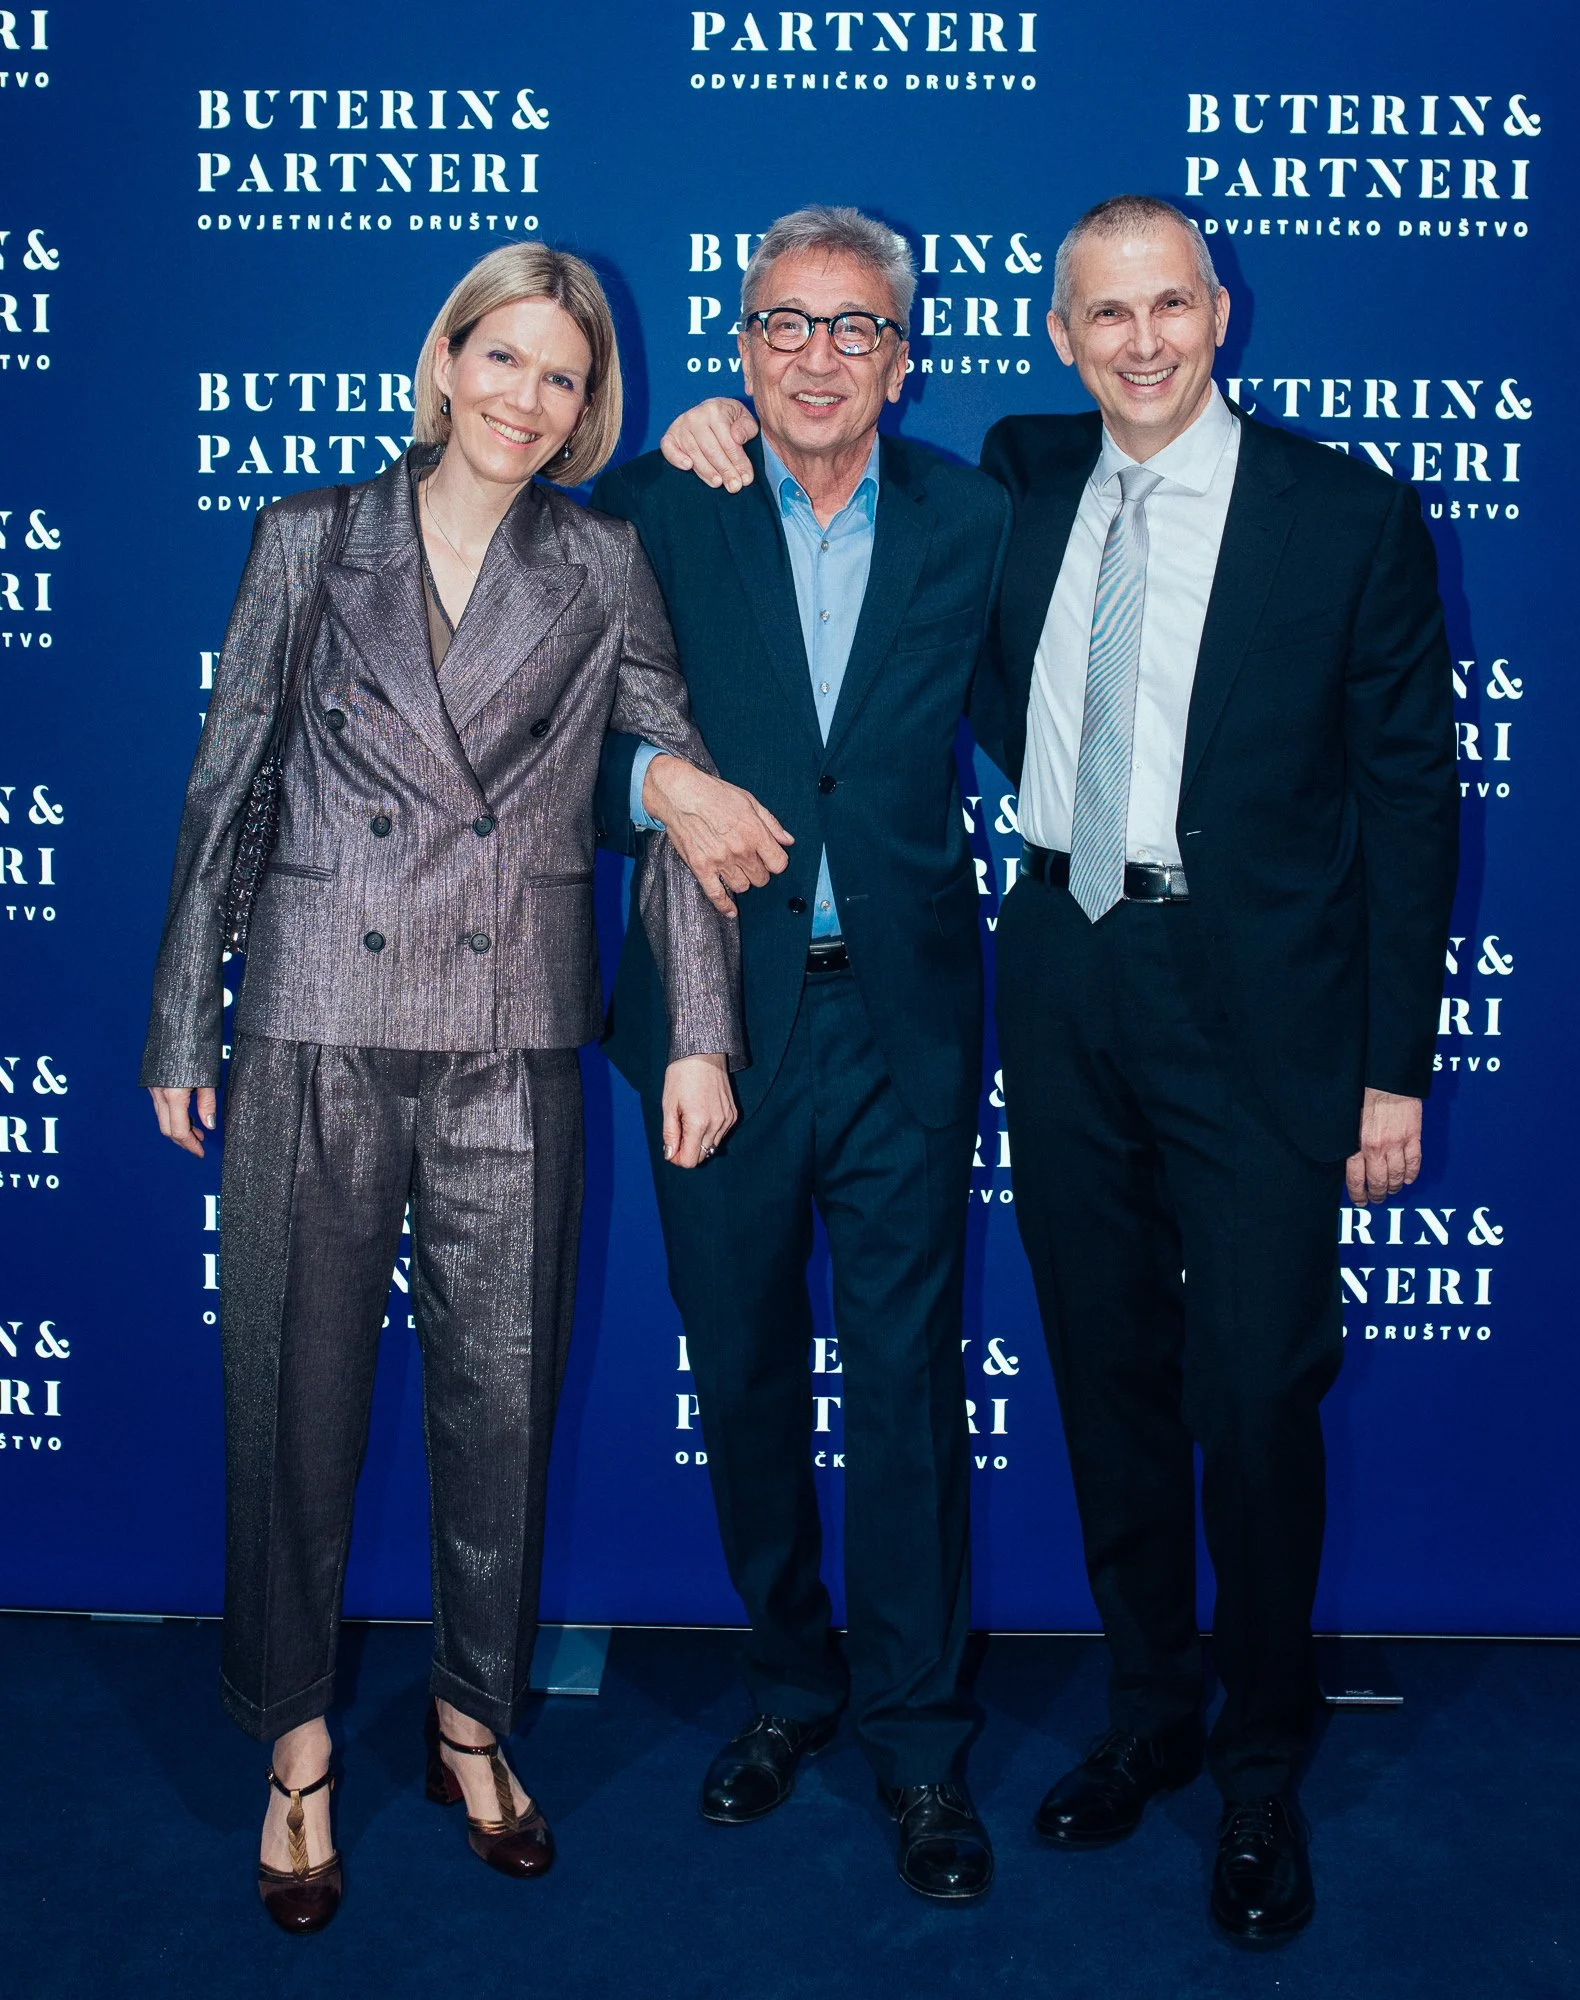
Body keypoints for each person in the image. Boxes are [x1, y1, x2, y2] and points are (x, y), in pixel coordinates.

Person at [663, 193, 1458, 1944]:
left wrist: (1389, 1072)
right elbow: (813, 444)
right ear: (1056, 338)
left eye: (1171, 304)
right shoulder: (1010, 479)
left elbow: (1412, 804)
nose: (1145, 341)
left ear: (1221, 309)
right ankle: (1151, 1713)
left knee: (1251, 1391)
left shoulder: (1346, 513)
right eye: (1107, 314)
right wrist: (704, 422)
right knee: (1105, 1370)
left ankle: (1261, 1761)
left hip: (1264, 1008)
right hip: (1061, 968)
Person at [141, 243, 743, 1934]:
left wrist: (695, 1027)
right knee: (292, 1403)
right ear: (446, 359)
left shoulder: (606, 560)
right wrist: (188, 1016)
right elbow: (227, 789)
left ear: (588, 404)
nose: (528, 401)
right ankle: (298, 1747)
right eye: (504, 361)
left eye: (564, 378)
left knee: (504, 1404)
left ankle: (475, 1722)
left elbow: (679, 795)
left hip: (509, 1027)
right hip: (320, 1020)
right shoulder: (308, 537)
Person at [591, 206, 1009, 1901]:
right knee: (746, 1372)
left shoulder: (977, 515)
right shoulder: (653, 506)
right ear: (739, 347)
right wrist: (654, 792)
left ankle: (919, 1743)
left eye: (853, 330)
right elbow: (578, 726)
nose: (817, 357)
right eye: (784, 326)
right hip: (715, 1030)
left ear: (901, 361)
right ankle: (788, 1685)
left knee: (906, 1395)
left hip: (902, 1021)